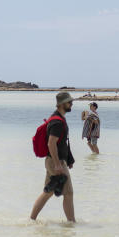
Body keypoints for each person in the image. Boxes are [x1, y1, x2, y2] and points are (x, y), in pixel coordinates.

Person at [30, 91, 76, 222]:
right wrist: (57, 164)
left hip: (55, 161)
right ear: (62, 104)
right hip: (55, 163)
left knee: (48, 192)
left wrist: (69, 160)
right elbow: (51, 144)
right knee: (68, 193)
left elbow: (62, 142)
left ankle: (31, 220)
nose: (71, 104)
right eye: (69, 102)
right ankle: (71, 224)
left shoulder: (58, 119)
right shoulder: (57, 122)